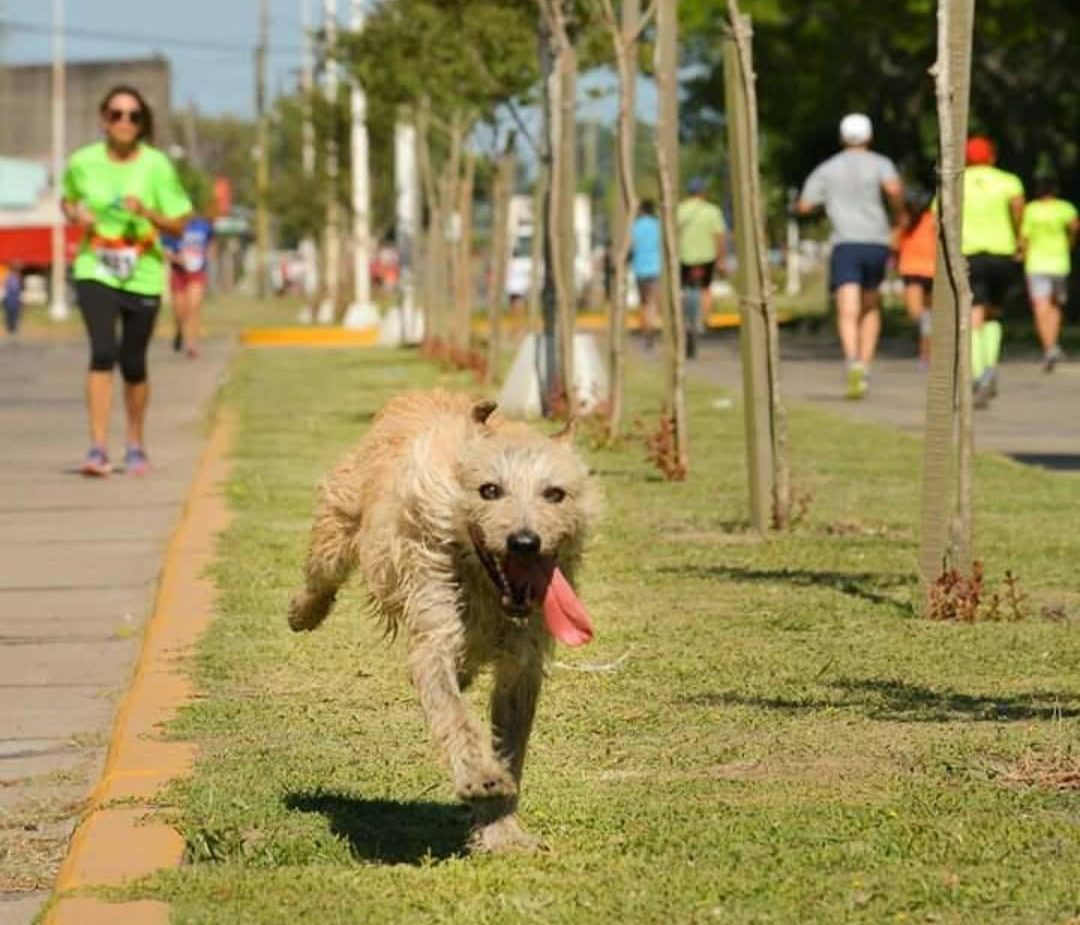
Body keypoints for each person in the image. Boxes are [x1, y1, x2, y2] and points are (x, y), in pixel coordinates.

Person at [61, 84, 192, 476]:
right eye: (116, 114)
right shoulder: (83, 162)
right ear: (103, 119)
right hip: (95, 267)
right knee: (102, 352)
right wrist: (74, 214)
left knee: (133, 363)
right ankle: (98, 448)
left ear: (141, 123)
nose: (124, 122)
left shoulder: (156, 166)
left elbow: (180, 223)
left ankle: (135, 443)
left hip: (143, 272)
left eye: (133, 116)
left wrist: (148, 211)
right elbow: (67, 199)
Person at [798, 113, 903, 399]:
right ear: (869, 136)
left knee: (847, 307)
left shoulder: (828, 168)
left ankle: (852, 360)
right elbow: (894, 189)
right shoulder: (881, 163)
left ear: (842, 137)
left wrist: (831, 203)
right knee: (871, 305)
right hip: (876, 240)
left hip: (845, 241)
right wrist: (898, 214)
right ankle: (866, 364)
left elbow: (805, 204)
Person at [961, 136, 1024, 408]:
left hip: (970, 253)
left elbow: (938, 215)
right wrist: (1019, 235)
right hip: (1002, 253)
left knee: (974, 313)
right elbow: (1018, 205)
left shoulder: (956, 181)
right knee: (994, 312)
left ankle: (978, 374)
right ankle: (989, 365)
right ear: (992, 157)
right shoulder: (1009, 181)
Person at [1020, 175, 1078, 372]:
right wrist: (1069, 243)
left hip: (1036, 264)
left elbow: (1024, 237)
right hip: (1060, 263)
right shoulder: (1065, 208)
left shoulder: (1031, 210)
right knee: (1055, 306)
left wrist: (1022, 253)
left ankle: (1048, 347)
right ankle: (1053, 344)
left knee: (1040, 307)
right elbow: (1074, 227)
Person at [677, 177, 726, 359]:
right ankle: (703, 321)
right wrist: (721, 259)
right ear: (703, 192)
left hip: (685, 257)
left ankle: (684, 320)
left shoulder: (681, 210)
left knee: (682, 289)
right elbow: (720, 236)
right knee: (705, 289)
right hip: (707, 257)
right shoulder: (712, 211)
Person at [164, 210, 214, 359]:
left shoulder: (203, 226)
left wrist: (209, 253)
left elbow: (211, 240)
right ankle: (179, 330)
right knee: (181, 311)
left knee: (194, 307)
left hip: (197, 272)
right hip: (178, 272)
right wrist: (177, 258)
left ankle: (192, 344)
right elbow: (163, 250)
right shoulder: (172, 227)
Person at [897, 185, 936, 365]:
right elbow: (893, 245)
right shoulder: (903, 222)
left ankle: (927, 352)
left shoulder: (932, 220)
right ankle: (925, 349)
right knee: (917, 314)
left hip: (932, 271)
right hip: (911, 270)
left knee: (930, 314)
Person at [630, 199, 662, 350]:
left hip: (640, 269)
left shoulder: (635, 226)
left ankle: (646, 331)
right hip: (656, 268)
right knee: (652, 302)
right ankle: (651, 328)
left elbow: (631, 246)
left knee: (644, 302)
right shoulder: (658, 226)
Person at [2, 262, 22, 336]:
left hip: (13, 300)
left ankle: (12, 328)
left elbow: (17, 289)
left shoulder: (13, 278)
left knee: (13, 314)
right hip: (11, 300)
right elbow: (13, 288)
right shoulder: (12, 278)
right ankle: (11, 328)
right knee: (10, 314)